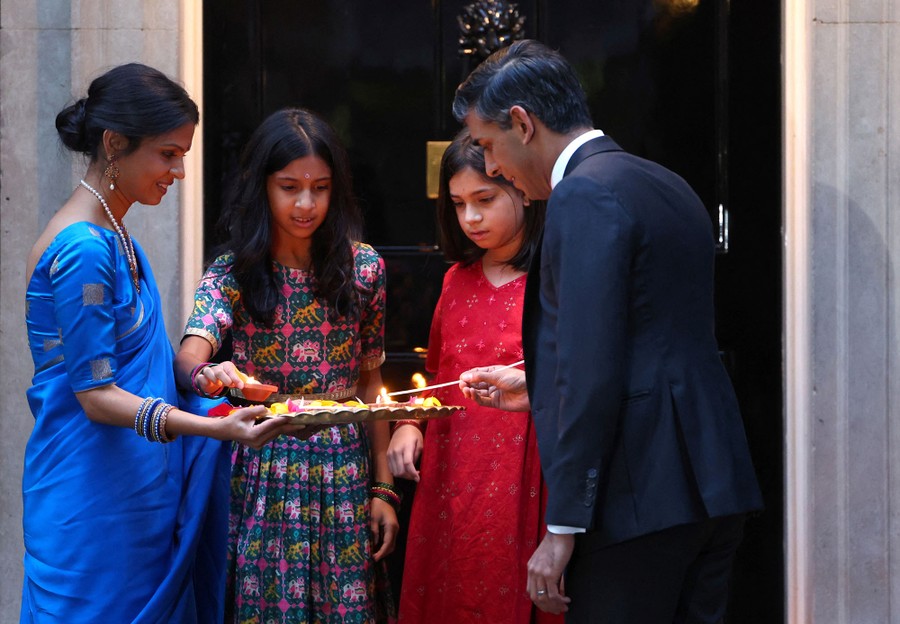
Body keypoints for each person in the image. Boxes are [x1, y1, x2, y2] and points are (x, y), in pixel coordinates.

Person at [453, 40, 764, 623]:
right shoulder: (665, 182)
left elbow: (590, 365)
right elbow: (650, 336)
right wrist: (537, 385)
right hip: (713, 485)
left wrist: (562, 525)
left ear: (523, 123)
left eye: (489, 147)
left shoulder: (583, 193)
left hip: (638, 496)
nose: (491, 166)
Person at [22, 63, 288, 623]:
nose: (180, 171)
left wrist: (203, 376)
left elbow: (140, 363)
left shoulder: (116, 235)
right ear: (115, 144)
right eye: (168, 154)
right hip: (94, 503)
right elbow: (95, 395)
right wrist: (212, 427)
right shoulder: (84, 249)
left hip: (135, 492)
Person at [174, 107, 399, 623]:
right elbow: (190, 352)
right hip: (263, 466)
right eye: (289, 186)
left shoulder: (363, 269)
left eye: (319, 188)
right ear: (262, 187)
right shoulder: (234, 271)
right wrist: (210, 375)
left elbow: (371, 382)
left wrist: (384, 489)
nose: (305, 203)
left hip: (344, 468)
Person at [386, 130, 559, 623]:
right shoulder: (455, 280)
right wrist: (408, 423)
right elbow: (437, 372)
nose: (471, 218)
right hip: (454, 472)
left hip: (529, 469)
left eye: (484, 200)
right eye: (458, 204)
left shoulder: (554, 276)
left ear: (523, 191)